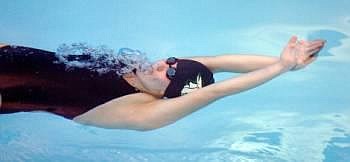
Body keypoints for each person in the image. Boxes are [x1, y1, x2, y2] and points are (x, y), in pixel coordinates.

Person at [0, 36, 325, 131]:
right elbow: (218, 62)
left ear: (168, 97)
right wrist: (287, 66)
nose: (163, 65)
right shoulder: (149, 74)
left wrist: (280, 68)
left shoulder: (140, 111)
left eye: (169, 74)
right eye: (171, 62)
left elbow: (219, 88)